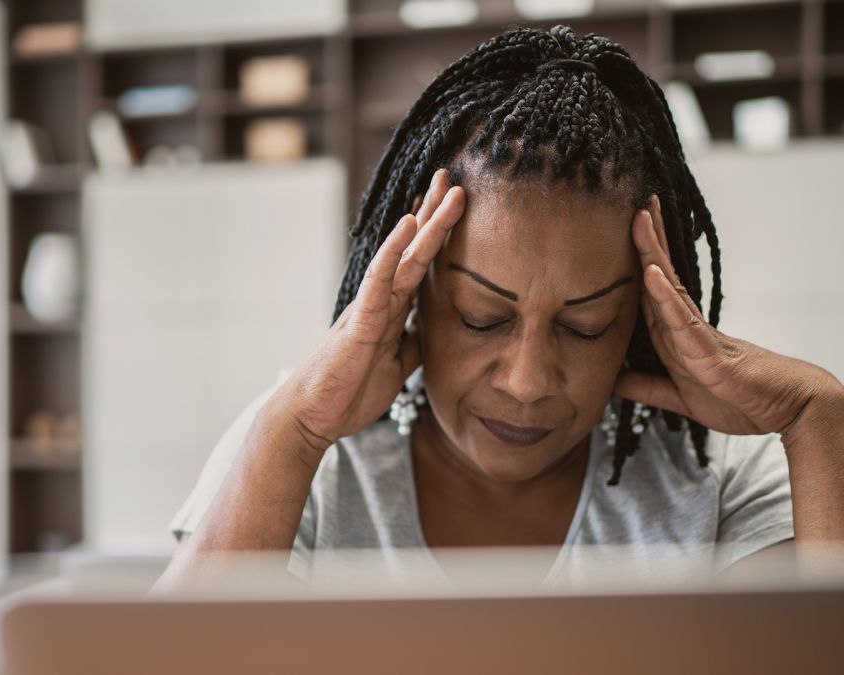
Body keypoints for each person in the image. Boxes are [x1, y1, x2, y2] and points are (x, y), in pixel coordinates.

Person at [153, 25, 844, 590]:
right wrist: (293, 432)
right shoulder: (301, 448)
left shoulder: (719, 476)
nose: (527, 380)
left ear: (643, 316)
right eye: (482, 316)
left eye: (584, 326)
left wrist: (817, 416)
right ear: (414, 290)